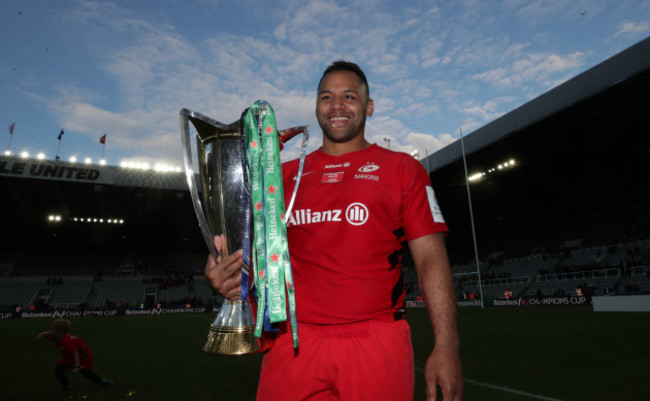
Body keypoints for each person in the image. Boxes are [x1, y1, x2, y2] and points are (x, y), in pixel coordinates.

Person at [205, 60, 463, 401]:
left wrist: (447, 346)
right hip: (293, 344)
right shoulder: (279, 177)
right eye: (326, 97)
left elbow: (430, 257)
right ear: (316, 107)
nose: (337, 105)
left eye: (349, 96)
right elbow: (254, 253)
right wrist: (226, 269)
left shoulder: (402, 169)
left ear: (368, 107)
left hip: (376, 342)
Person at [35, 319, 113, 394]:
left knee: (86, 373)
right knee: (58, 371)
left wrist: (77, 367)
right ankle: (66, 386)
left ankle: (101, 382)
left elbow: (75, 353)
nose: (51, 332)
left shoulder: (66, 341)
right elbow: (50, 335)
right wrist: (43, 334)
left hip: (83, 357)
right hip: (70, 356)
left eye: (53, 330)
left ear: (60, 332)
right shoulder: (57, 336)